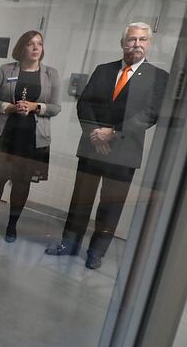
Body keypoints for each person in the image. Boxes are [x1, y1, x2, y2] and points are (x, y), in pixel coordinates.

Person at [45, 22, 167, 269]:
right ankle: (69, 244)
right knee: (81, 199)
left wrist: (111, 133)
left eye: (143, 40)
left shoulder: (158, 77)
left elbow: (149, 114)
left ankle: (96, 252)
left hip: (124, 152)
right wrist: (94, 133)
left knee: (111, 205)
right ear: (123, 42)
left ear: (149, 44)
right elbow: (85, 104)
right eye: (132, 39)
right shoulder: (103, 70)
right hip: (92, 146)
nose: (137, 44)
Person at [0, 31, 61, 242]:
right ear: (22, 48)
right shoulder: (6, 70)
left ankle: (12, 225)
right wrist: (9, 107)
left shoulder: (51, 74)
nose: (36, 48)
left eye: (39, 43)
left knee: (22, 183)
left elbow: (56, 107)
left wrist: (36, 106)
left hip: (31, 137)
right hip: (4, 135)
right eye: (30, 44)